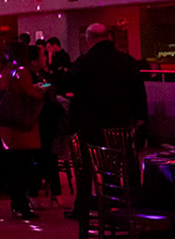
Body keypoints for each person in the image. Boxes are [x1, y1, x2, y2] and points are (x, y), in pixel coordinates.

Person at [63, 23, 148, 219]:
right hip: (120, 123)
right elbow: (138, 91)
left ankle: (83, 207)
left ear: (89, 39)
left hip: (90, 123)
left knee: (86, 168)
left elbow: (66, 84)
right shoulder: (125, 60)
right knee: (117, 166)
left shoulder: (85, 61)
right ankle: (117, 205)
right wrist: (140, 117)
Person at [0, 40, 45, 219]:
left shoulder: (5, 70)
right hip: (22, 127)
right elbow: (30, 92)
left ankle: (16, 203)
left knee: (14, 167)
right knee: (22, 167)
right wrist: (43, 88)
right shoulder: (22, 71)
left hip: (8, 126)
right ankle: (22, 205)